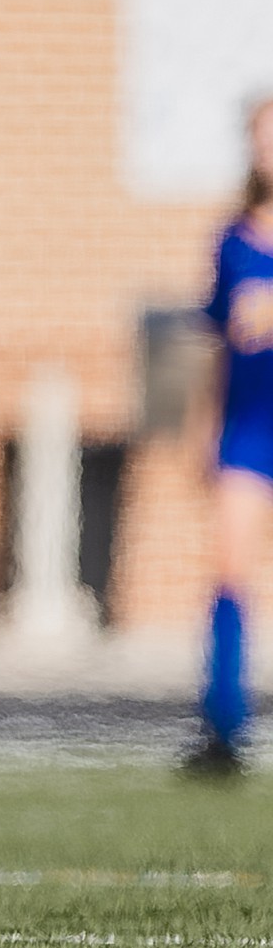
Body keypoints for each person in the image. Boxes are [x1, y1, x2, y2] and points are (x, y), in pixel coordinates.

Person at [187, 98, 273, 775]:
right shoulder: (232, 241)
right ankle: (224, 728)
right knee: (229, 568)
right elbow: (216, 345)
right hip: (248, 427)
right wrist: (203, 425)